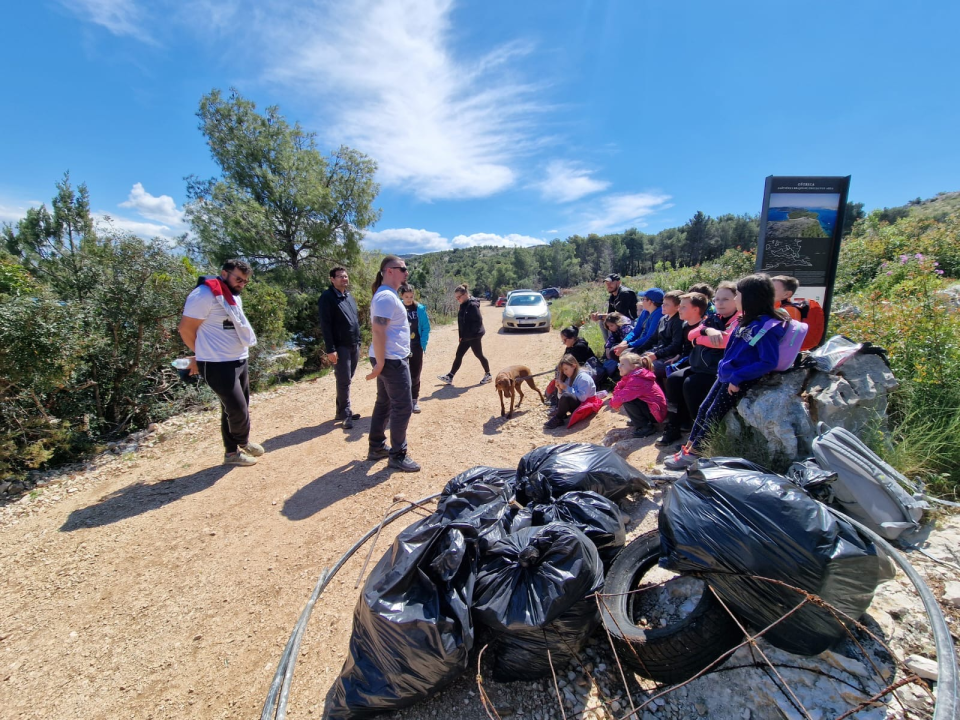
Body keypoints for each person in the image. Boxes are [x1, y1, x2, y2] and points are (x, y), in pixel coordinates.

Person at [664, 274, 789, 470]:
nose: (735, 298)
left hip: (737, 379)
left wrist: (738, 378)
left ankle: (695, 454)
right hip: (725, 374)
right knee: (704, 409)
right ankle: (688, 448)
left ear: (751, 297)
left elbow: (768, 361)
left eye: (738, 294)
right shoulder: (746, 321)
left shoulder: (765, 327)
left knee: (713, 414)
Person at [178, 259, 263, 466]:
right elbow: (185, 329)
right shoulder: (203, 295)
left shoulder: (231, 298)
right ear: (224, 273)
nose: (241, 284)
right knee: (237, 409)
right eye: (238, 279)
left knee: (232, 408)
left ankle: (232, 453)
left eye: (245, 281)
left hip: (238, 360)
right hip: (217, 363)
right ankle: (242, 441)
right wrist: (200, 355)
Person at [365, 255, 420, 472]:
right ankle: (397, 454)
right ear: (389, 271)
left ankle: (377, 447)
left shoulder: (388, 295)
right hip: (390, 360)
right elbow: (378, 330)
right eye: (403, 268)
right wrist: (379, 363)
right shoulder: (385, 297)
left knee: (385, 402)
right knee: (403, 407)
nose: (407, 272)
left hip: (389, 358)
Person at [656, 292, 715, 447]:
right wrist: (679, 358)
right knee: (674, 379)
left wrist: (682, 359)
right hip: (692, 363)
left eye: (683, 307)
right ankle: (673, 426)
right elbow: (686, 350)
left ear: (696, 310)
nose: (679, 310)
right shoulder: (685, 325)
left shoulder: (707, 325)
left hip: (706, 367)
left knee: (688, 383)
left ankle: (697, 432)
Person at [318, 266, 362, 429]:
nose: (344, 279)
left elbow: (355, 320)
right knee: (343, 380)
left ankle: (340, 410)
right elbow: (325, 324)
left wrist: (359, 341)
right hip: (340, 346)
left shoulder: (348, 296)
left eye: (345, 276)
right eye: (340, 277)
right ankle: (345, 414)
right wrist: (330, 349)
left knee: (347, 379)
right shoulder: (327, 297)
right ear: (332, 279)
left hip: (353, 344)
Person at [437, 284, 492, 386]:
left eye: (459, 297)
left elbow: (478, 322)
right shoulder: (464, 304)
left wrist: (471, 335)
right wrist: (461, 335)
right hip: (466, 336)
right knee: (459, 355)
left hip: (474, 336)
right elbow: (461, 322)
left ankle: (488, 375)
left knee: (479, 354)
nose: (457, 299)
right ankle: (450, 376)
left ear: (465, 294)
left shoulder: (472, 305)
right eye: (456, 297)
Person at [609, 352, 667, 438]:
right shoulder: (633, 376)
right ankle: (639, 420)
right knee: (628, 398)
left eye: (622, 364)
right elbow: (619, 388)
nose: (619, 367)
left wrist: (613, 402)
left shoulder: (637, 380)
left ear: (633, 367)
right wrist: (616, 397)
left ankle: (646, 427)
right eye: (619, 364)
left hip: (657, 412)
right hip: (654, 409)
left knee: (627, 400)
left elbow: (620, 398)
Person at [637, 290, 685, 379]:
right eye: (663, 303)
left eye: (667, 304)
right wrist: (638, 351)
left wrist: (656, 355)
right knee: (634, 360)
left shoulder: (678, 321)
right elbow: (653, 339)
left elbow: (676, 346)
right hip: (659, 351)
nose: (663, 306)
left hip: (670, 355)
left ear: (677, 307)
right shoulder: (663, 319)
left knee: (647, 367)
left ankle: (656, 392)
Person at [399, 282, 431, 414]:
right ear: (401, 296)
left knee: (415, 374)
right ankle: (402, 402)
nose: (409, 299)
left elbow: (426, 327)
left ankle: (414, 400)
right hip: (400, 347)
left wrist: (423, 341)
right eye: (406, 296)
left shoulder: (420, 309)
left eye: (411, 296)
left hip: (416, 346)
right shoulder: (397, 307)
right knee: (401, 375)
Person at [544, 353, 597, 429]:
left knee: (567, 396)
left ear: (574, 366)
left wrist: (566, 387)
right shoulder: (569, 377)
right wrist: (559, 389)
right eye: (563, 370)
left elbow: (582, 398)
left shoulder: (583, 378)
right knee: (561, 392)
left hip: (586, 405)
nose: (565, 372)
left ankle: (558, 417)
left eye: (566, 369)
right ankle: (561, 415)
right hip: (579, 403)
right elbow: (561, 398)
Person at [614, 288, 663, 356]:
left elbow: (649, 337)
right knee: (614, 350)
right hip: (639, 341)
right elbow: (636, 330)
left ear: (651, 302)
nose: (642, 301)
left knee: (624, 354)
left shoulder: (659, 314)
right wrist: (625, 341)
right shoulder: (645, 312)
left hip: (648, 345)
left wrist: (628, 345)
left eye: (644, 299)